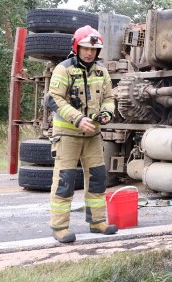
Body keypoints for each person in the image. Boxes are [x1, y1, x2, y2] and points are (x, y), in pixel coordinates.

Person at [45, 25, 118, 243]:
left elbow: (108, 98)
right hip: (67, 135)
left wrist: (106, 113)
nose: (89, 53)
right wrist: (77, 119)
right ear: (77, 47)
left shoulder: (101, 71)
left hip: (93, 135)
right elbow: (54, 99)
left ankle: (97, 222)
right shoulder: (63, 69)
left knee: (97, 178)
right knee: (65, 180)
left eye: (94, 50)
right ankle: (59, 227)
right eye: (85, 48)